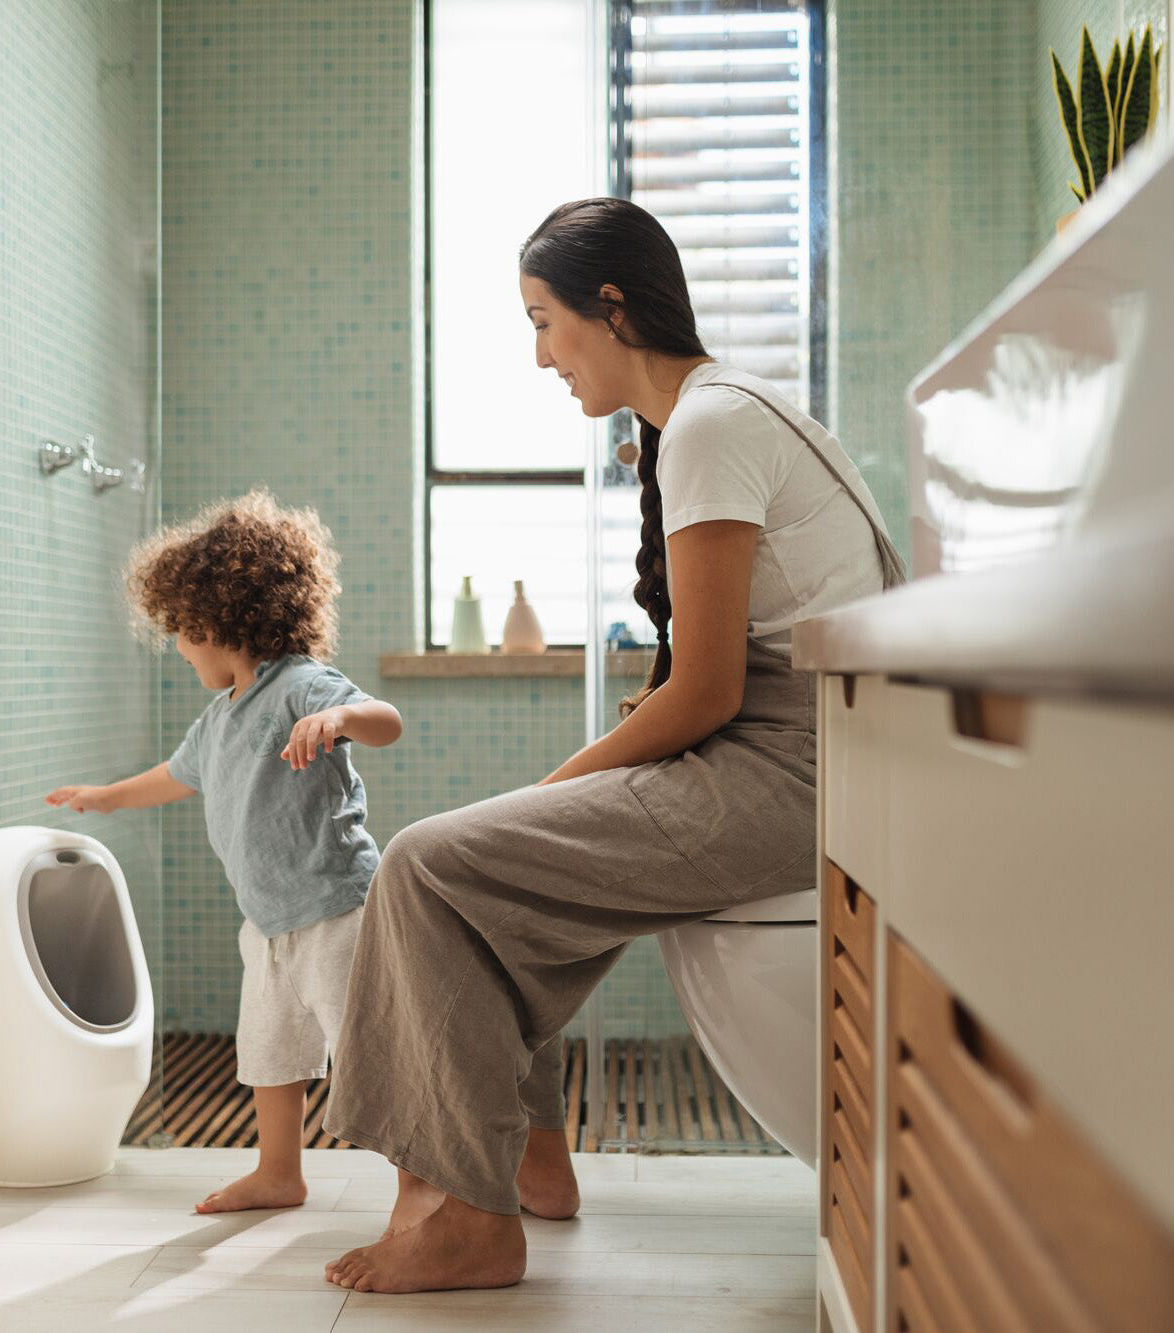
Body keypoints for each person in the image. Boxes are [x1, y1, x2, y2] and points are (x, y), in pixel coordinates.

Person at [321, 197, 905, 1295]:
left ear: (611, 305)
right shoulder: (720, 413)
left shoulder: (713, 425)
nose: (542, 355)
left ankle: (473, 1217)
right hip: (817, 756)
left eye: (544, 321)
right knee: (485, 865)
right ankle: (528, 1158)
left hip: (790, 769)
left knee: (427, 861)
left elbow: (707, 689)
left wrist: (554, 786)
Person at [46, 488, 402, 1214]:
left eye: (182, 630)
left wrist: (338, 717)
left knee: (371, 1058)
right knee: (271, 1056)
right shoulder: (218, 719)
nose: (177, 646)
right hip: (268, 920)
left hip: (337, 910)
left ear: (219, 619)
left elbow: (385, 720)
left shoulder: (300, 684)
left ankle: (425, 1184)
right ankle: (279, 1172)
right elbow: (176, 776)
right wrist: (108, 795)